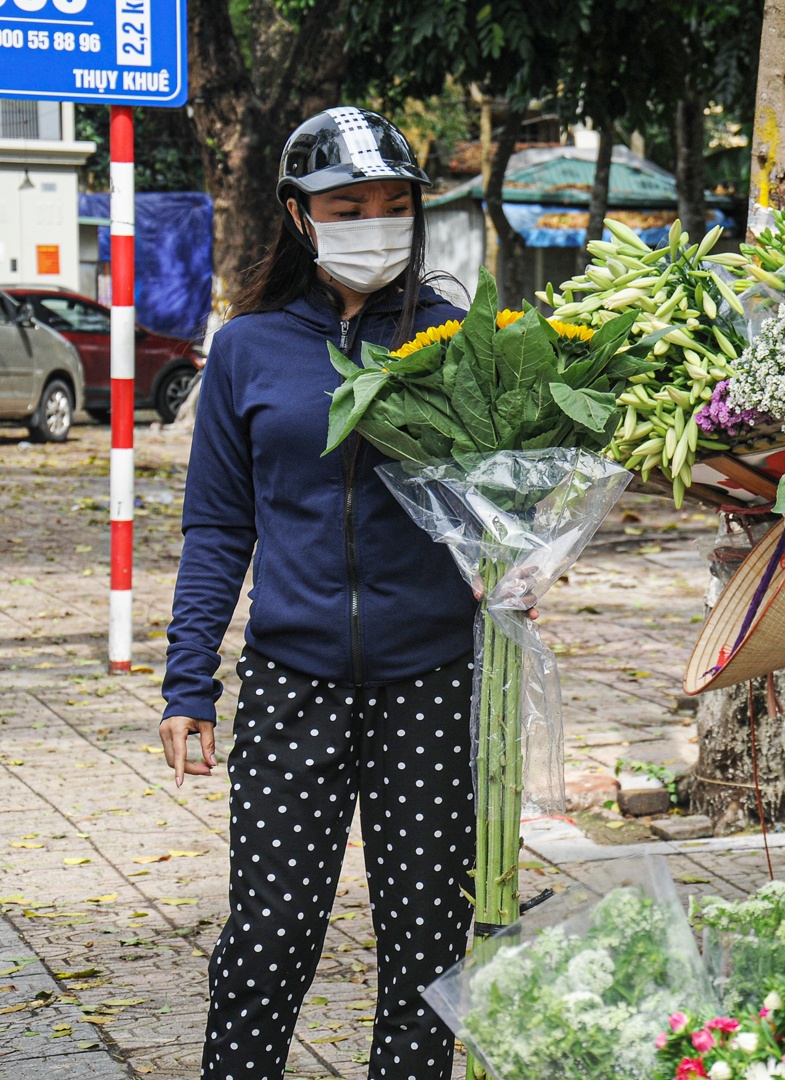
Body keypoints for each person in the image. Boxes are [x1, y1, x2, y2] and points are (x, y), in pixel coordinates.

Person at [160, 107, 478, 1080]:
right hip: (291, 687)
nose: (376, 224)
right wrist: (187, 681)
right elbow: (220, 527)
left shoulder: (455, 340)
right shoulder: (247, 350)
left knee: (430, 951)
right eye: (349, 207)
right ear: (301, 217)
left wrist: (519, 565)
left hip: (431, 684)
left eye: (394, 205)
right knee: (268, 939)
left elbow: (497, 499)